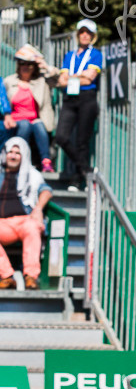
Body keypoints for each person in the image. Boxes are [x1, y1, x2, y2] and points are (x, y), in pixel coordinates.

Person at [56, 19, 102, 189]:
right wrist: (79, 75)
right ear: (77, 34)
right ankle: (86, 169)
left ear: (93, 36)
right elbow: (61, 81)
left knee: (82, 141)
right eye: (82, 32)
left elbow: (90, 77)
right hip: (70, 97)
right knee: (61, 136)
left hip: (87, 98)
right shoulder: (70, 55)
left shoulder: (95, 54)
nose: (85, 35)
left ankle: (77, 178)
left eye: (88, 33)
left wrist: (71, 76)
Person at [0, 137, 49, 290]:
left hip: (25, 220)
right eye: (10, 152)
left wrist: (38, 208)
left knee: (33, 227)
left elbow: (46, 191)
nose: (13, 156)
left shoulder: (32, 175)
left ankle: (31, 277)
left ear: (23, 156)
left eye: (17, 153)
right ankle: (7, 276)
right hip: (2, 224)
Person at [3, 48, 55, 169]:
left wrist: (44, 64)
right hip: (16, 120)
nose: (25, 66)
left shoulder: (41, 81)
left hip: (35, 120)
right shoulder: (9, 81)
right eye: (22, 63)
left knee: (39, 124)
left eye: (29, 64)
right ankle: (20, 157)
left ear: (34, 67)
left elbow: (59, 80)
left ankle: (46, 161)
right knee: (26, 124)